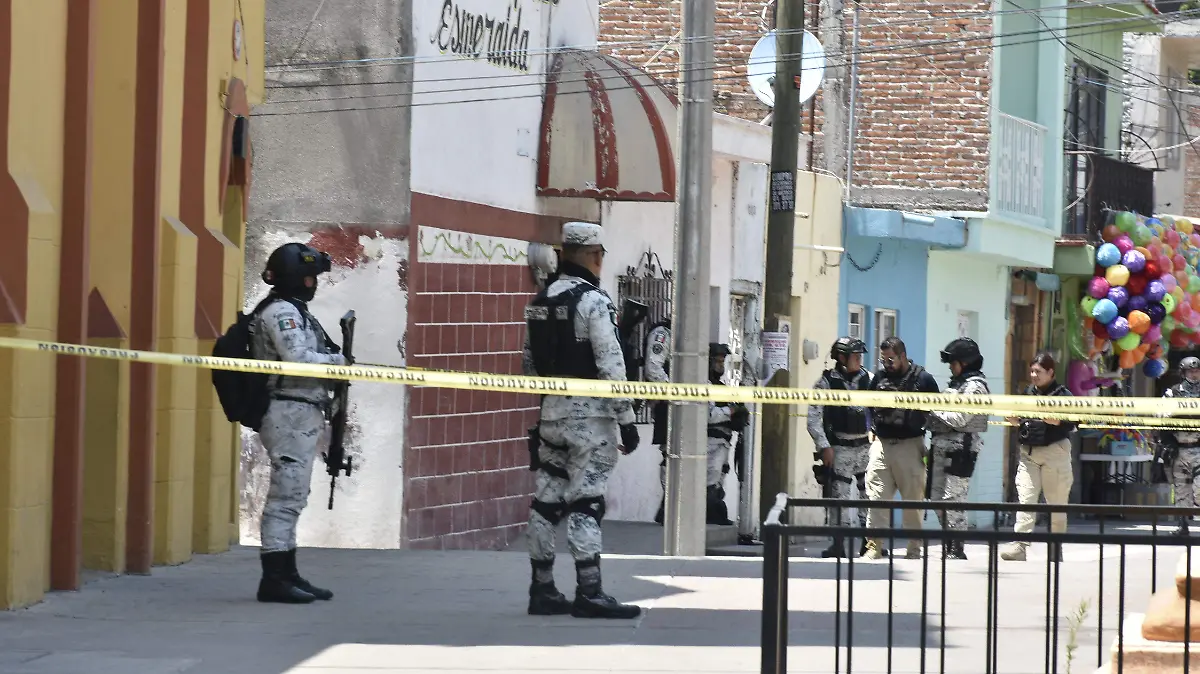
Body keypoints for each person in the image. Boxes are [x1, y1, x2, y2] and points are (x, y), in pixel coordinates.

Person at [522, 221, 642, 620]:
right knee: (586, 501)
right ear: (594, 255)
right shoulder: (594, 301)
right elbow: (611, 363)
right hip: (591, 417)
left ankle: (542, 589)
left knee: (545, 500)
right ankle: (589, 591)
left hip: (550, 413)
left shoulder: (538, 300)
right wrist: (626, 418)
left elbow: (529, 364)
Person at [252, 242, 346, 604]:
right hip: (288, 411)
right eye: (310, 276)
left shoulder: (294, 310)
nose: (314, 282)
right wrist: (337, 362)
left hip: (301, 411)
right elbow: (296, 358)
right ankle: (274, 579)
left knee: (295, 494)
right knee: (285, 496)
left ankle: (288, 572)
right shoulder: (281, 313)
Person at [861, 337, 940, 560]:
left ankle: (914, 547)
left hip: (911, 445)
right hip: (882, 445)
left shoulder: (923, 379)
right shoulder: (879, 377)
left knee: (913, 499)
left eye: (891, 359)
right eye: (883, 359)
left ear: (903, 356)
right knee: (877, 497)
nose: (886, 363)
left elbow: (937, 412)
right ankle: (874, 546)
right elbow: (867, 405)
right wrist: (871, 430)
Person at [1001, 352, 1076, 562]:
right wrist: (1015, 419)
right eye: (1032, 371)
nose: (1034, 375)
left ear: (1051, 372)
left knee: (1057, 504)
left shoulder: (1063, 395)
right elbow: (1021, 415)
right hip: (1029, 454)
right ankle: (1020, 545)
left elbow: (1076, 421)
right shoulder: (1028, 392)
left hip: (1055, 453)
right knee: (1025, 499)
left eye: (1038, 371)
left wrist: (1059, 421)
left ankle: (1055, 547)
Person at [925, 337, 990, 560]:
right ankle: (948, 541)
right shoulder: (956, 384)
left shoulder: (975, 387)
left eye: (954, 363)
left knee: (954, 499)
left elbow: (961, 418)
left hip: (962, 447)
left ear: (966, 362)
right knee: (935, 498)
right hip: (941, 445)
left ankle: (956, 546)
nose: (951, 368)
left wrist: (933, 410)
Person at [807, 337, 873, 558]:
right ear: (842, 358)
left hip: (866, 446)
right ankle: (838, 544)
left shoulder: (870, 379)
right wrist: (824, 446)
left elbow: (880, 411)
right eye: (855, 356)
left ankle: (870, 544)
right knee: (839, 498)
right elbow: (814, 418)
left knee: (870, 496)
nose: (859, 359)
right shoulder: (825, 382)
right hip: (840, 448)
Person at [705, 343, 750, 525]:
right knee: (709, 483)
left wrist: (739, 414)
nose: (721, 365)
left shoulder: (721, 386)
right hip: (709, 444)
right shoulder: (704, 385)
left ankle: (714, 516)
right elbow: (707, 415)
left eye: (723, 361)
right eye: (717, 360)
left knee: (718, 482)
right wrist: (730, 412)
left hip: (722, 444)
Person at [1159, 356, 1200, 535]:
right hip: (1179, 449)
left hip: (1199, 448)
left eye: (1197, 370)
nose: (1194, 374)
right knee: (1182, 489)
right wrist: (1168, 443)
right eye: (1191, 371)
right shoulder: (1173, 393)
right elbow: (1162, 419)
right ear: (1183, 372)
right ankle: (1182, 525)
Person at [645, 318, 672, 525]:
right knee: (669, 453)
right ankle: (669, 505)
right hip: (670, 403)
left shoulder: (686, 335)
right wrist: (676, 393)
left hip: (684, 404)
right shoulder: (664, 334)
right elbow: (653, 369)